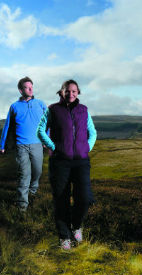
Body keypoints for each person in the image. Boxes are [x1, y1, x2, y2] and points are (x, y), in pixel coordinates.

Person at [37, 79, 97, 250]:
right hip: (60, 162)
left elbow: (92, 132)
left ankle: (76, 226)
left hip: (81, 161)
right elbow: (40, 130)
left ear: (78, 93)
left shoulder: (83, 110)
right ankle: (64, 236)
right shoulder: (53, 110)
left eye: (74, 91)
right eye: (67, 91)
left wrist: (87, 146)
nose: (71, 94)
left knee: (84, 198)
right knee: (61, 200)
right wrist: (53, 146)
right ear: (61, 92)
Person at [0, 76, 48, 212]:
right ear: (21, 90)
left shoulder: (40, 104)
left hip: (38, 144)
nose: (31, 89)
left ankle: (33, 190)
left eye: (32, 86)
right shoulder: (14, 106)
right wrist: (2, 144)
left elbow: (49, 123)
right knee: (24, 174)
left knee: (37, 171)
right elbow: (7, 126)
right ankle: (22, 206)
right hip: (21, 146)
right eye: (27, 87)